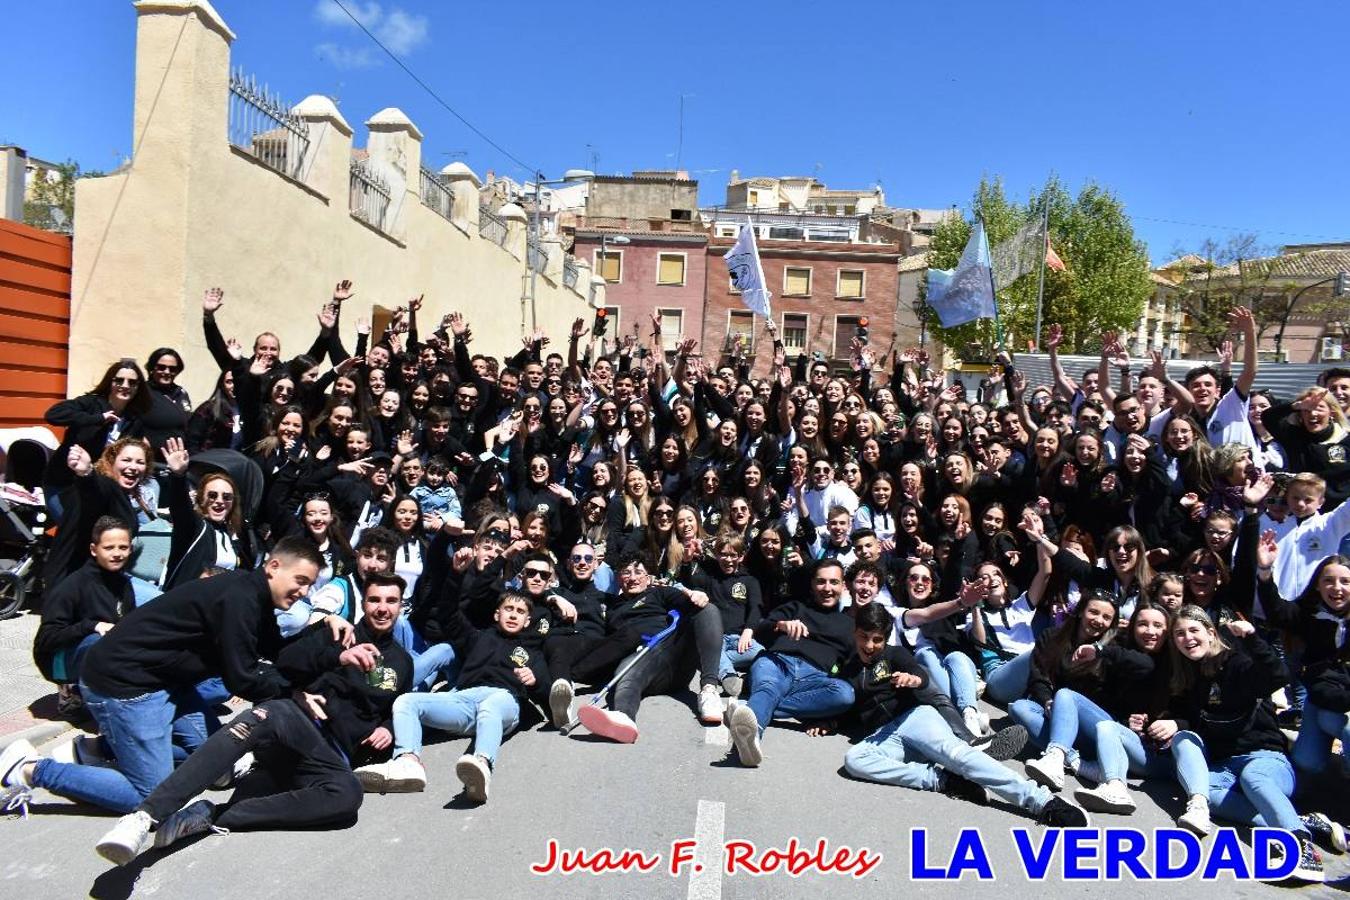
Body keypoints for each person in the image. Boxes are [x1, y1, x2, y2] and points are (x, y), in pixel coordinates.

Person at [89, 574, 412, 865]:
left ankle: (211, 814)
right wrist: (330, 641)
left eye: (390, 601)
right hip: (292, 723)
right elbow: (285, 661)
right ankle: (145, 816)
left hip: (328, 754)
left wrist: (387, 726)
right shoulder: (337, 634)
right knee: (267, 715)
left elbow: (395, 708)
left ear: (400, 606)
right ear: (364, 602)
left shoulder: (402, 662)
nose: (382, 608)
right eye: (374, 600)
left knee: (348, 795)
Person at [0, 538, 327, 815]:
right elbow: (242, 678)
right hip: (123, 685)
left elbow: (278, 651)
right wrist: (293, 694)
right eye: (300, 580)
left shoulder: (254, 597)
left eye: (309, 585)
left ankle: (102, 750)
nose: (303, 591)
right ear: (273, 567)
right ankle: (29, 769)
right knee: (149, 796)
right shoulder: (239, 598)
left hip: (165, 682)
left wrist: (325, 633)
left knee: (221, 765)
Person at [834, 604, 1088, 827]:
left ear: (886, 639)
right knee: (855, 760)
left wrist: (914, 679)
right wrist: (825, 721)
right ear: (854, 633)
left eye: (877, 639)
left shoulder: (894, 655)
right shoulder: (850, 669)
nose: (869, 645)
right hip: (886, 736)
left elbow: (919, 673)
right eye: (863, 637)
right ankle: (942, 779)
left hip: (916, 719)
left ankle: (1042, 802)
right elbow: (846, 706)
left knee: (960, 758)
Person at [1159, 607, 1331, 882]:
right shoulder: (1189, 676)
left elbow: (1277, 676)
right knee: (1204, 790)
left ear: (1211, 633)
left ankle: (1300, 846)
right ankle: (1301, 821)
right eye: (1179, 633)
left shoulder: (1236, 663)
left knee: (1254, 777)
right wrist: (1173, 723)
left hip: (1266, 759)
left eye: (1194, 630)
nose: (1187, 638)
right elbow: (1190, 718)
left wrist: (1252, 638)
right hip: (1226, 767)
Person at [353, 591, 547, 803]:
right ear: (496, 614)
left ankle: (481, 765)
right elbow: (448, 612)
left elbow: (548, 692)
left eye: (520, 612)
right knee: (406, 701)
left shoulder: (532, 652)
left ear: (527, 621)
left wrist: (534, 681)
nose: (513, 615)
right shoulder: (477, 638)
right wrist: (454, 573)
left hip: (504, 700)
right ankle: (407, 762)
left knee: (490, 707)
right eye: (508, 609)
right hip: (464, 700)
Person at [726, 559, 857, 767]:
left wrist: (832, 720)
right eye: (821, 582)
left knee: (845, 694)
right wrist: (781, 626)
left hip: (816, 677)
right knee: (769, 687)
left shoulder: (850, 626)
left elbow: (853, 672)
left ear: (843, 586)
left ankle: (749, 709)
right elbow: (759, 629)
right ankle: (750, 740)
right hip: (777, 663)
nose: (827, 588)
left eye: (834, 582)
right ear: (812, 584)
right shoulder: (795, 607)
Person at [32, 516, 135, 714]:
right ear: (94, 549)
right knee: (99, 641)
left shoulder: (124, 584)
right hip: (59, 659)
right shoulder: (73, 586)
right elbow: (47, 639)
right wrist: (92, 625)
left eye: (123, 547)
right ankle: (71, 691)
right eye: (109, 548)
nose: (117, 554)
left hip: (102, 654)